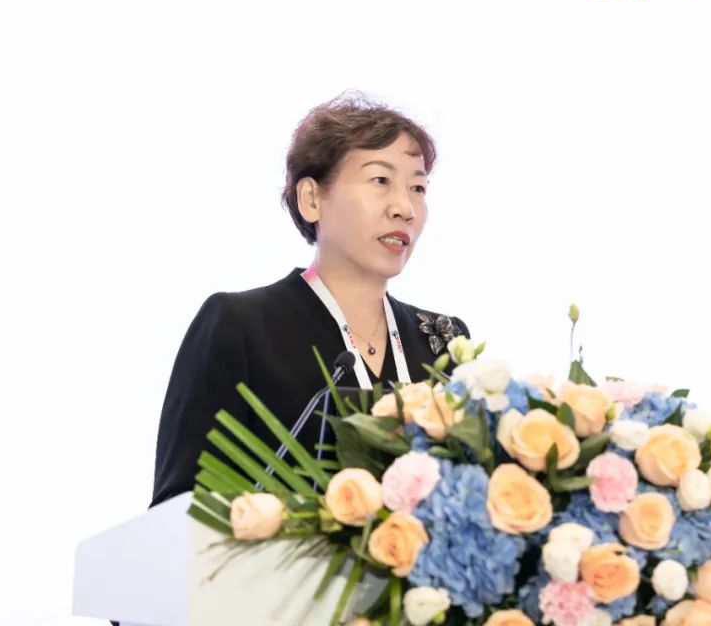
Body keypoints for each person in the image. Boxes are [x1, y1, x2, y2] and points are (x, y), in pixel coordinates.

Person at [150, 94, 471, 508]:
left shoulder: (444, 341)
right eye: (380, 180)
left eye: (418, 188)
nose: (404, 208)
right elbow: (180, 510)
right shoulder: (240, 326)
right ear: (312, 199)